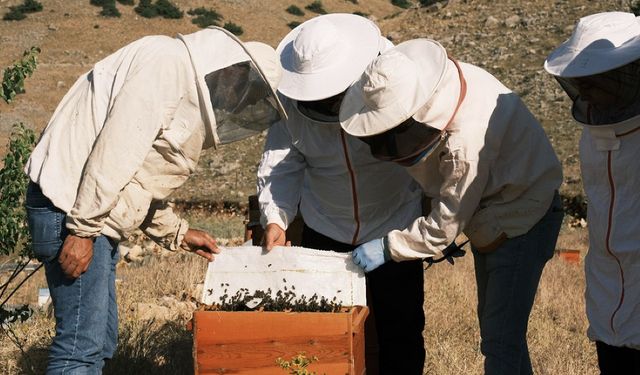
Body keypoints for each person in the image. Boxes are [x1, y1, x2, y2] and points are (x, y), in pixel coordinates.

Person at [24, 26, 286, 374]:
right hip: (72, 210)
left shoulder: (174, 77)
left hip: (87, 213)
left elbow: (135, 180)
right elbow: (113, 156)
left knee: (100, 342)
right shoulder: (166, 66)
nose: (241, 103)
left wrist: (179, 232)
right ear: (235, 71)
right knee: (79, 351)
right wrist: (83, 231)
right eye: (247, 93)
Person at [339, 38, 564, 375]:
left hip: (522, 216)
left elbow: (447, 221)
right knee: (503, 336)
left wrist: (389, 247)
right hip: (496, 206)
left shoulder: (466, 141)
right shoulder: (436, 88)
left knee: (500, 338)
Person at [257, 14, 426, 374]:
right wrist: (276, 218)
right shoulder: (290, 103)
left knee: (402, 329)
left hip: (394, 222)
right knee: (331, 334)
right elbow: (281, 166)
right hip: (327, 227)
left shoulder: (388, 73)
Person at [544, 11, 640, 374]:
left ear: (628, 74)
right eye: (581, 82)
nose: (587, 92)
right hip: (606, 282)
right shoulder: (593, 134)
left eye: (597, 80)